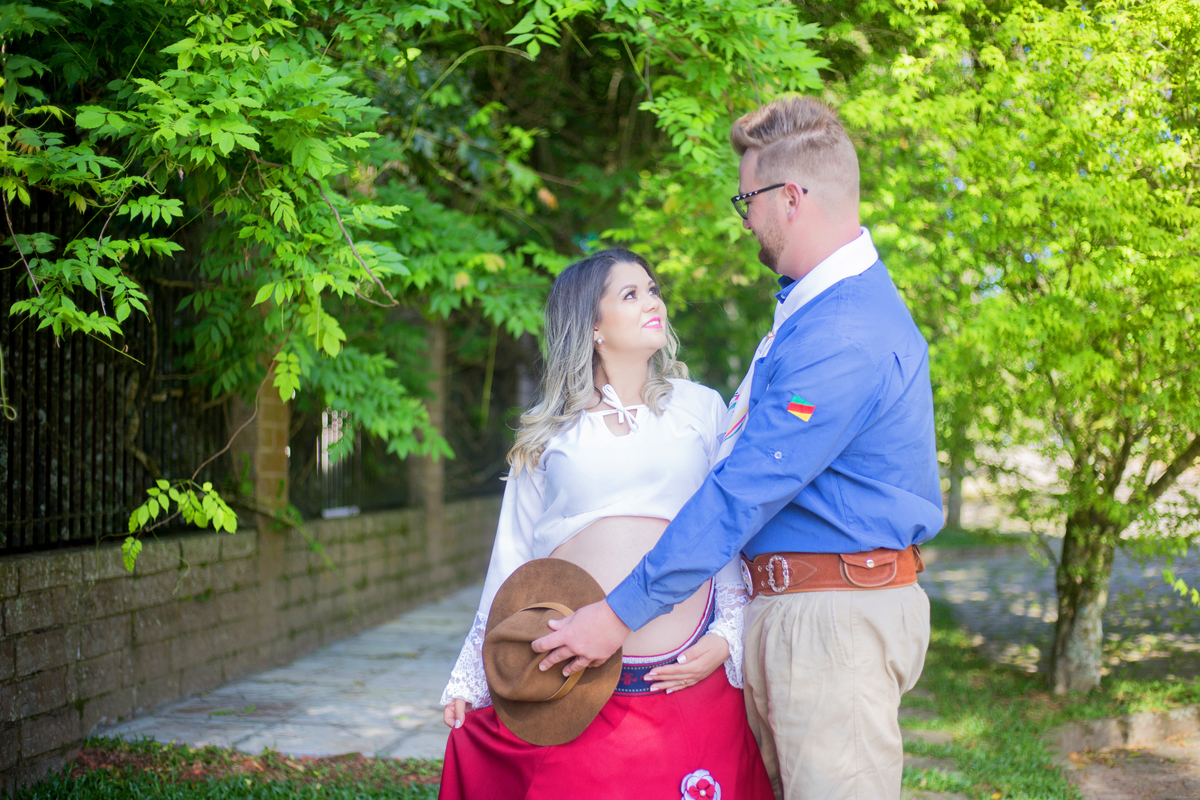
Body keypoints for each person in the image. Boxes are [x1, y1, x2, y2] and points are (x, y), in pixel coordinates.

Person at [532, 96, 945, 800]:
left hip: (833, 623)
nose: (744, 218)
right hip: (805, 611)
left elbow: (743, 491)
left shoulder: (842, 332)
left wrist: (617, 613)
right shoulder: (813, 311)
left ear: (791, 198)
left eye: (747, 199)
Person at [437, 249, 775, 800]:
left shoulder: (701, 408)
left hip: (683, 673)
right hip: (573, 679)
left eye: (652, 289)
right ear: (592, 326)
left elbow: (727, 525)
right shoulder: (549, 431)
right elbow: (513, 554)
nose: (653, 302)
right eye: (631, 294)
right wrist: (476, 672)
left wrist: (727, 635)